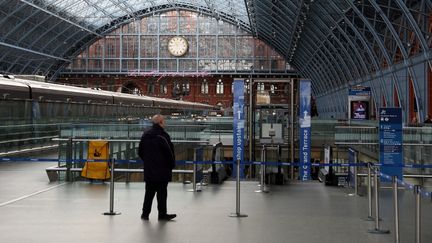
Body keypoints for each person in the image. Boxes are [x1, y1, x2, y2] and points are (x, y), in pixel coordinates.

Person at [138, 114, 176, 221]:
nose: (165, 123)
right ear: (160, 123)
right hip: (162, 170)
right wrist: (171, 165)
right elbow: (169, 153)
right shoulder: (163, 136)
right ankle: (162, 214)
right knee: (162, 193)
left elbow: (140, 151)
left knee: (149, 193)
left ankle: (145, 214)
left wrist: (148, 162)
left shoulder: (145, 135)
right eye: (164, 121)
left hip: (149, 169)